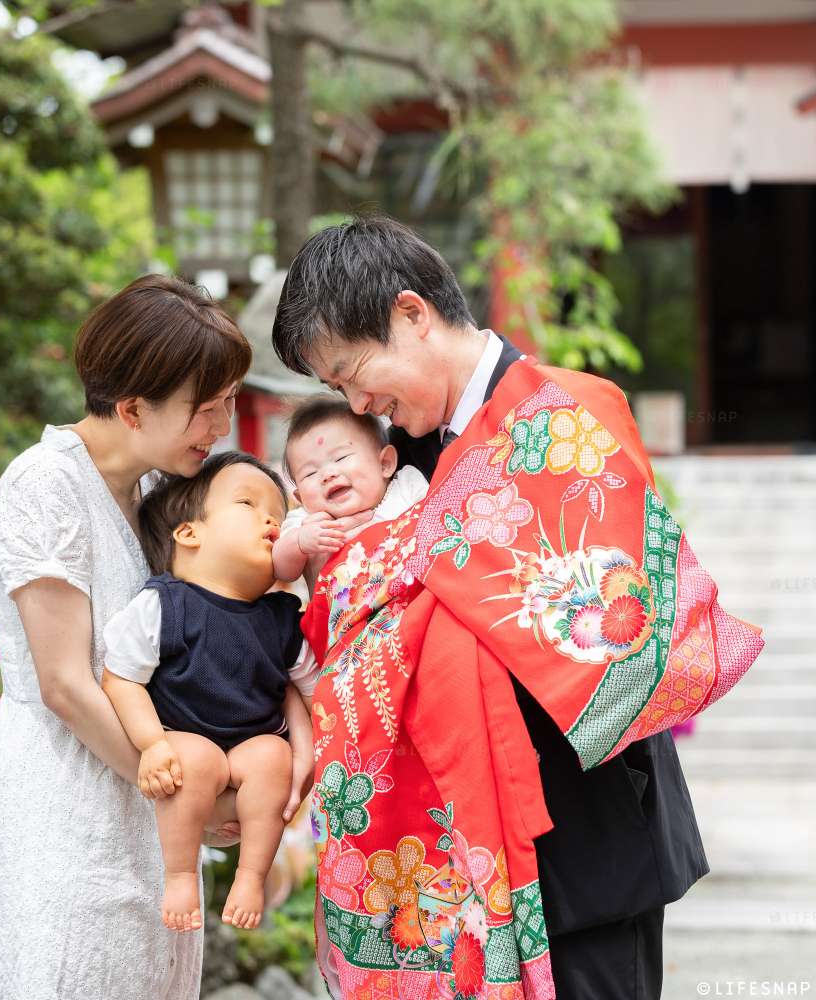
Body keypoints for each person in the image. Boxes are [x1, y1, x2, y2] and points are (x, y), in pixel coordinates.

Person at [271, 217, 764, 1000]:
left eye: (352, 371)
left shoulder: (568, 413)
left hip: (588, 836)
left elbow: (624, 635)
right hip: (463, 865)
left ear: (411, 313)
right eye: (337, 390)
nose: (359, 401)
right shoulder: (399, 461)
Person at [0, 275, 312, 1000]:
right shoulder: (44, 485)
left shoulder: (158, 497)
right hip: (62, 805)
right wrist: (189, 797)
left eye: (227, 405)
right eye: (204, 411)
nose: (219, 428)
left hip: (155, 808)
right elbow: (64, 683)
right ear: (131, 408)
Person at [100, 451, 318, 934]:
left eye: (278, 517)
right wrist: (152, 744)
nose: (270, 519)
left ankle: (251, 875)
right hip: (185, 735)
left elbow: (313, 688)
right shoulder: (166, 604)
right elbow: (120, 677)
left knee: (270, 759)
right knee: (193, 761)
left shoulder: (280, 617)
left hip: (253, 741)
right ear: (189, 533)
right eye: (248, 503)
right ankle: (179, 875)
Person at [272, 396, 428, 592]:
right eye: (310, 473)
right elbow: (282, 570)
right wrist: (300, 543)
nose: (328, 475)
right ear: (301, 498)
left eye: (341, 458)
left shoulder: (406, 487)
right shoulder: (308, 522)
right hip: (345, 619)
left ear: (385, 463)